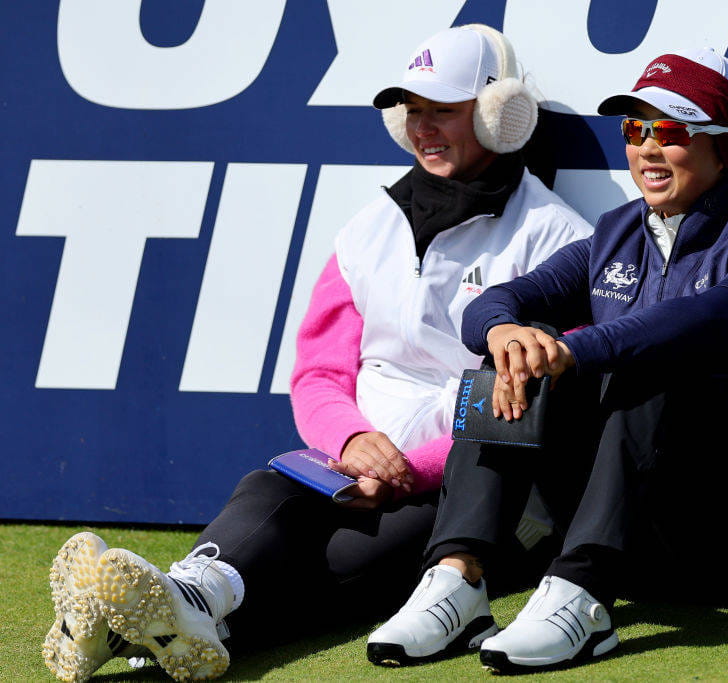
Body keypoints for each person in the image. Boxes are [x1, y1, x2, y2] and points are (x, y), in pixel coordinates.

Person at [42, 24, 592, 682]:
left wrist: (404, 471)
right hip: (351, 466)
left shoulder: (556, 237)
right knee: (269, 488)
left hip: (482, 495)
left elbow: (528, 400)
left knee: (341, 557)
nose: (422, 128)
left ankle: (150, 620)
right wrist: (354, 439)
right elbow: (318, 372)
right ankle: (185, 592)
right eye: (411, 111)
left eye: (442, 110)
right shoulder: (368, 229)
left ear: (500, 113)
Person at [368, 48, 728, 672]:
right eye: (634, 130)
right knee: (516, 346)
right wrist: (508, 334)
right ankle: (458, 576)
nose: (647, 148)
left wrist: (574, 348)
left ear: (726, 146)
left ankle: (583, 596)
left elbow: (703, 318)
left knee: (650, 355)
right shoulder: (617, 231)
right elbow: (494, 303)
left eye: (670, 131)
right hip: (653, 531)